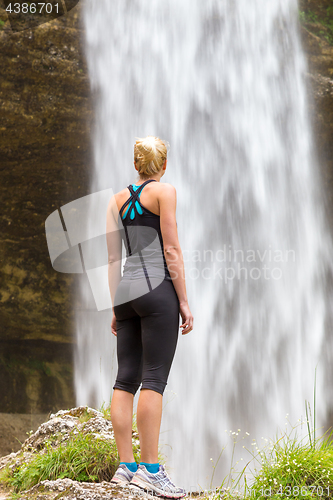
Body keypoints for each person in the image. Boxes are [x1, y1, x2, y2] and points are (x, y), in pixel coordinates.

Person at [106, 135, 193, 498]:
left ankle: (125, 467)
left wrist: (115, 306)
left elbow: (112, 259)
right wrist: (184, 301)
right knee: (154, 379)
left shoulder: (116, 200)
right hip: (157, 290)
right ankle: (151, 470)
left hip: (127, 289)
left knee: (125, 379)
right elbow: (171, 247)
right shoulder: (165, 192)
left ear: (136, 164)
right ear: (164, 165)